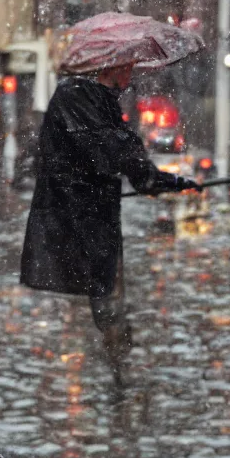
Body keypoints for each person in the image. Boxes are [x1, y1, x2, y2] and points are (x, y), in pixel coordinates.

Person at [20, 63, 195, 363]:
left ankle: (118, 357)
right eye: (124, 70)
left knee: (108, 289)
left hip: (97, 215)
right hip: (77, 214)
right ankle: (114, 359)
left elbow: (122, 152)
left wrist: (163, 180)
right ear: (108, 68)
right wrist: (153, 176)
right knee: (104, 294)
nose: (129, 78)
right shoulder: (76, 96)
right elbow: (113, 147)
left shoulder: (98, 99)